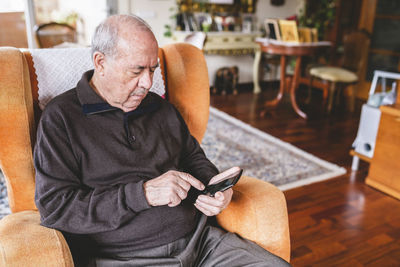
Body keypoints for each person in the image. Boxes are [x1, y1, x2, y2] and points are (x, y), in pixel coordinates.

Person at [34, 14, 291, 267]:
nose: (147, 83)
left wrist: (215, 189)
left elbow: (192, 158)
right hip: (124, 257)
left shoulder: (160, 108)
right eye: (137, 70)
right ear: (100, 63)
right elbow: (56, 209)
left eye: (153, 70)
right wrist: (143, 194)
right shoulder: (61, 119)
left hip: (202, 243)